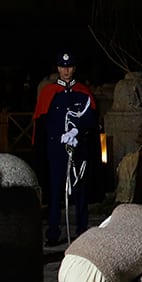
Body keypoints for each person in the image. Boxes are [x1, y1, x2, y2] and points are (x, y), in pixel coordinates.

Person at [32, 51, 98, 247]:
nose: (66, 70)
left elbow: (91, 120)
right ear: (58, 68)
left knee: (80, 191)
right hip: (56, 150)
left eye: (69, 67)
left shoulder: (83, 91)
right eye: (62, 67)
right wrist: (56, 137)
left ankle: (82, 231)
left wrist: (78, 132)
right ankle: (53, 232)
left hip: (79, 150)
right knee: (55, 191)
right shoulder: (49, 92)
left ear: (74, 68)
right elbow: (42, 122)